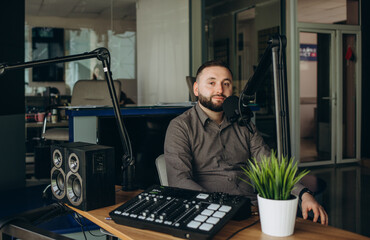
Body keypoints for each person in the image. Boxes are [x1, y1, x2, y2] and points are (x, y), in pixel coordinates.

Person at [164, 60, 328, 225]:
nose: (220, 90)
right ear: (196, 89)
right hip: (207, 213)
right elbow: (179, 181)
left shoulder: (244, 124)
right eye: (212, 83)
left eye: (226, 83)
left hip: (253, 211)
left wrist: (304, 194)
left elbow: (269, 166)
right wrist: (225, 206)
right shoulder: (180, 126)